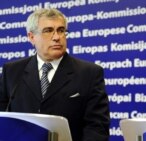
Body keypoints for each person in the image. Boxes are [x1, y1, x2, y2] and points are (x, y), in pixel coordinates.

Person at [0, 8, 110, 141]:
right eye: (48, 31)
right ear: (31, 37)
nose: (57, 37)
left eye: (61, 30)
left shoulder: (90, 73)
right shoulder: (12, 71)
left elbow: (97, 128)